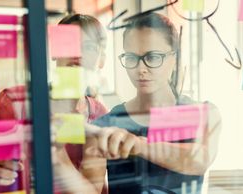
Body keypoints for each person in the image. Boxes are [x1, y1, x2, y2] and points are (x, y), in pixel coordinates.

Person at [0, 14, 108, 194]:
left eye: (89, 47)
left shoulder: (100, 114)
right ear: (55, 51)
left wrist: (55, 154)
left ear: (102, 59)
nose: (78, 54)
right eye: (69, 43)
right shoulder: (13, 102)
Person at [82, 13, 222, 194]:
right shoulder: (106, 125)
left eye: (153, 57)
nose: (141, 69)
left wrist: (139, 145)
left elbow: (199, 159)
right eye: (132, 58)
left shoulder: (205, 114)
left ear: (175, 58)